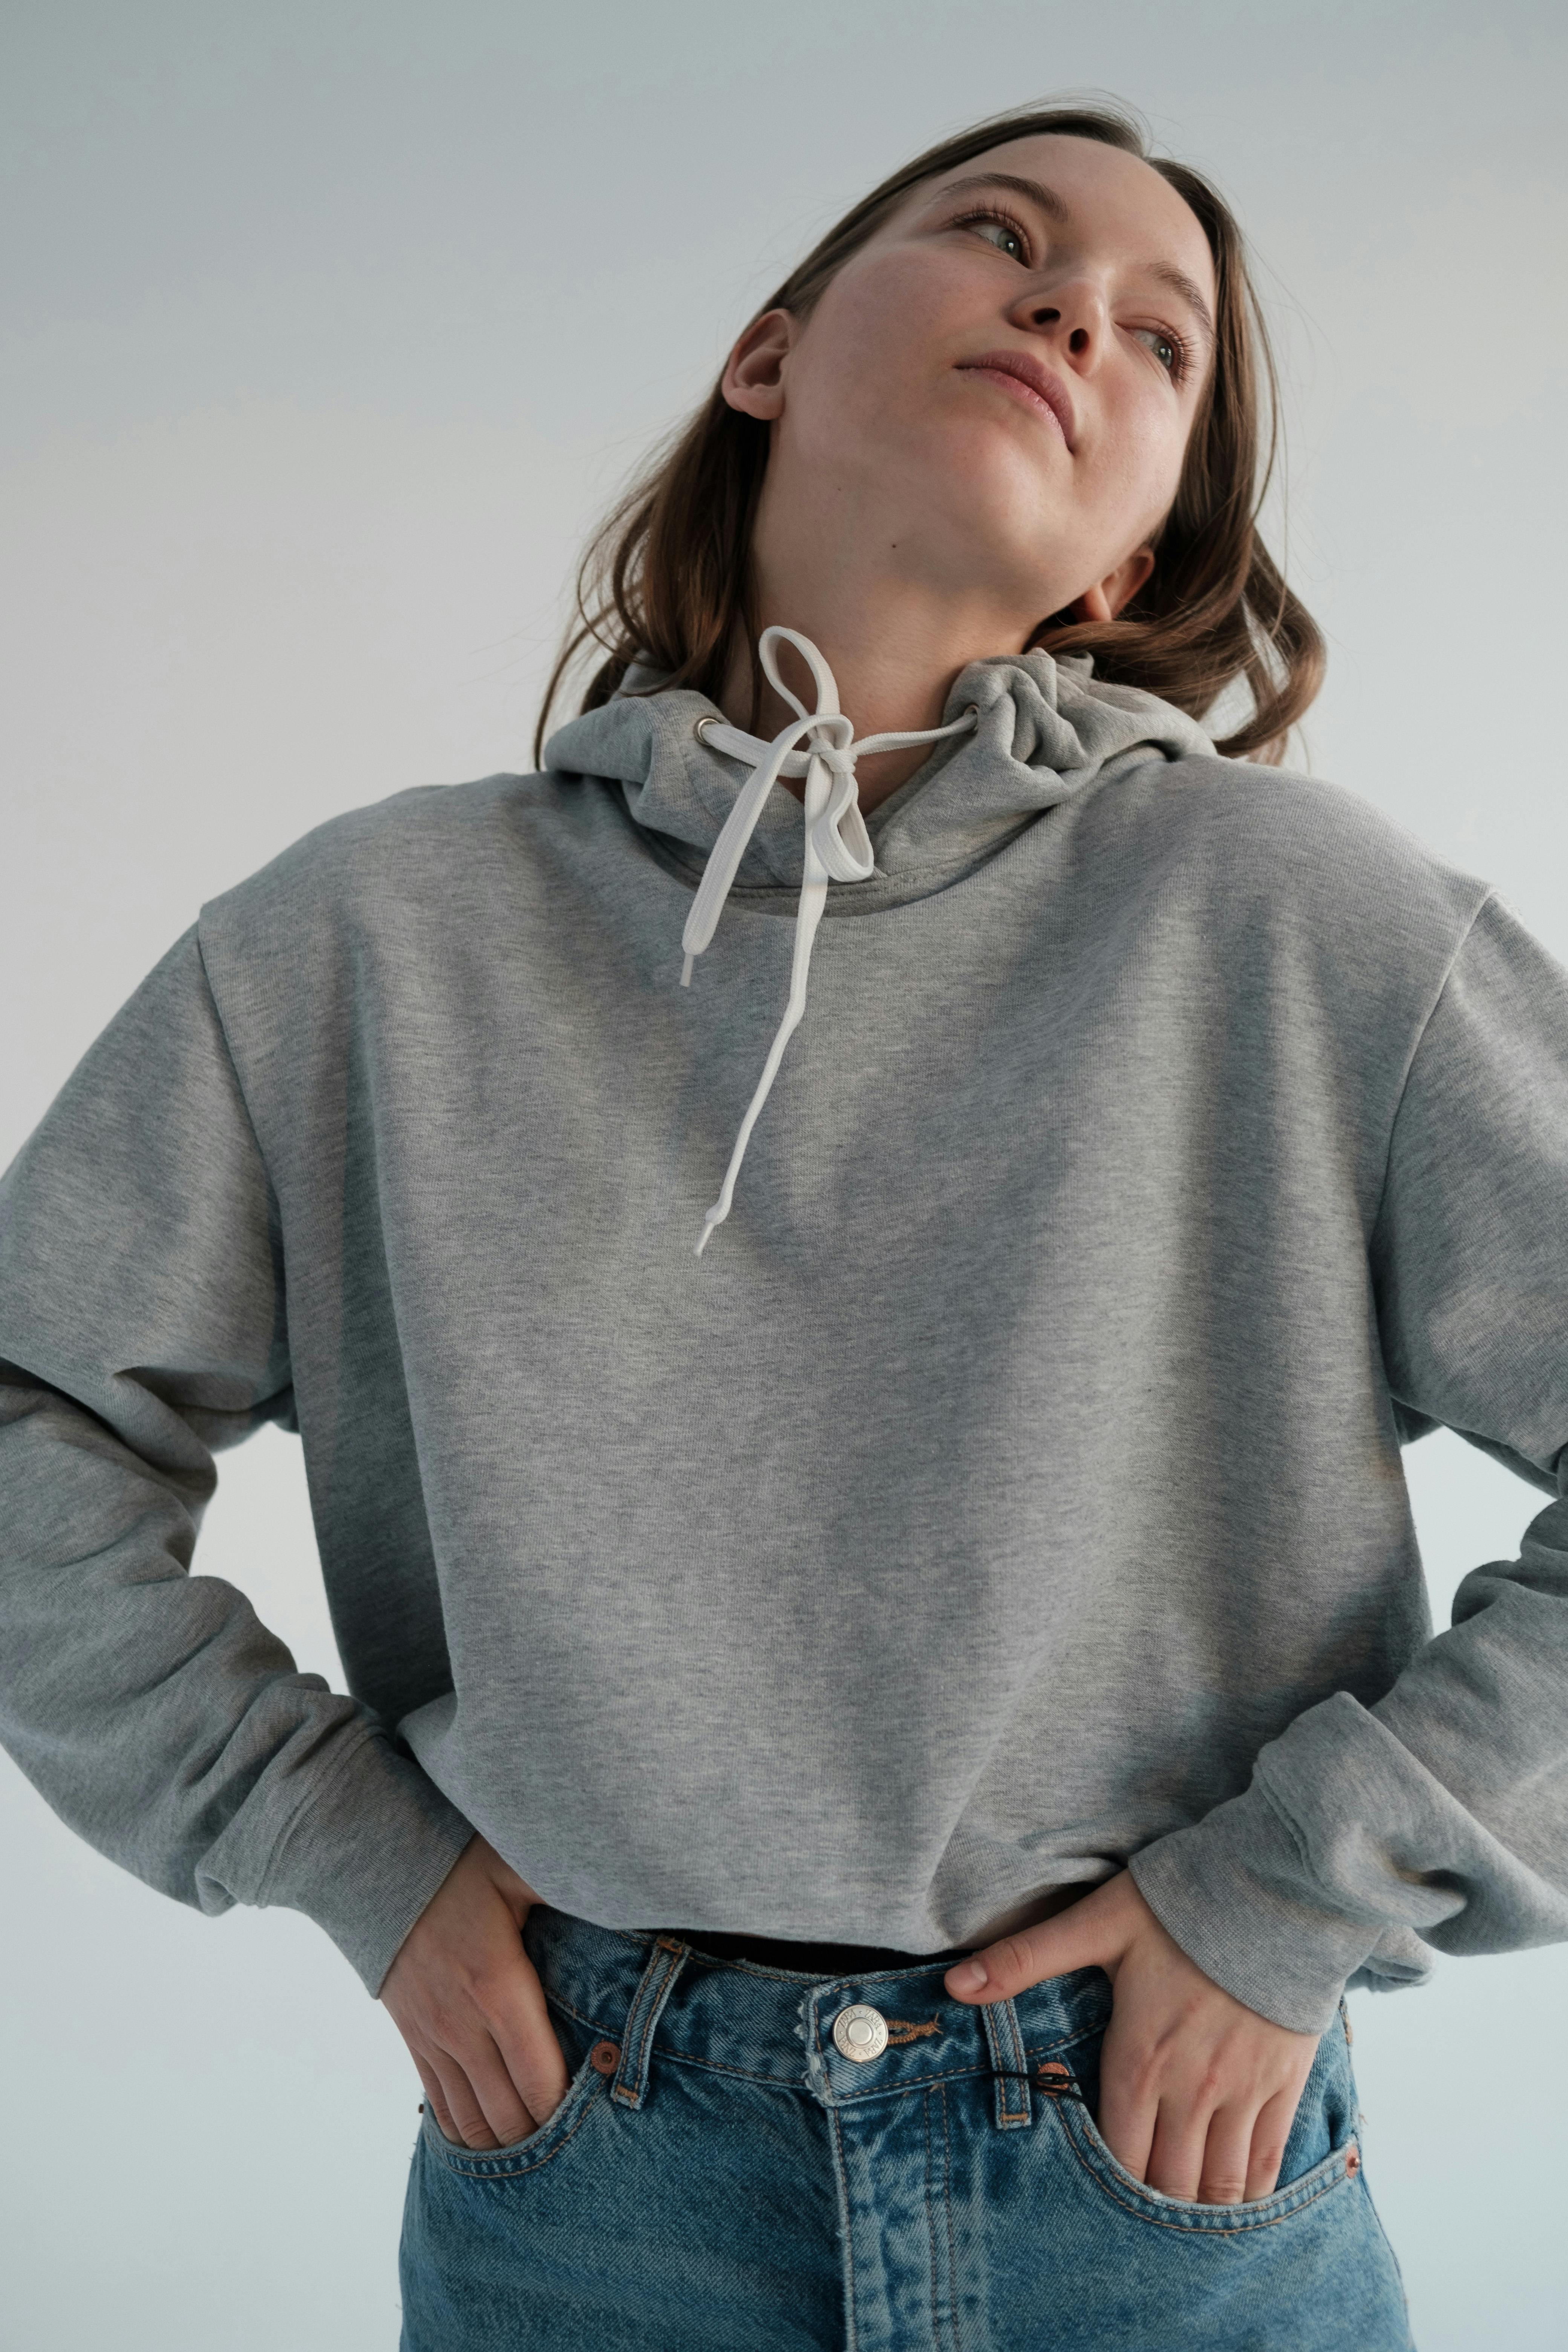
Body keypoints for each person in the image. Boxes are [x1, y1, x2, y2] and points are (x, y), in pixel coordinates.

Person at [1, 93, 1563, 2351]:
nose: (1070, 309)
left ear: (1127, 560)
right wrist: (349, 1846)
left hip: (1151, 2170)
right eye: (1003, 238)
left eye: (1158, 339)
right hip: (586, 2169)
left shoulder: (1304, 927)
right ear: (769, 354)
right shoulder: (369, 935)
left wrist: (1290, 1905)